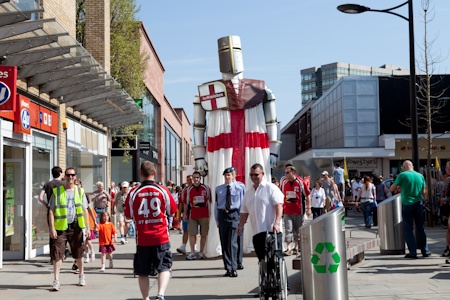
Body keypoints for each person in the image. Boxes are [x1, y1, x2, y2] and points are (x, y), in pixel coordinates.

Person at [193, 35, 282, 257]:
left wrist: (273, 150)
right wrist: (199, 157)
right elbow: (198, 126)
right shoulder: (207, 92)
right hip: (221, 147)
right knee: (223, 194)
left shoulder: (259, 89)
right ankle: (226, 246)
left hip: (252, 146)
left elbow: (272, 120)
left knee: (259, 197)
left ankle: (259, 239)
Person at [124, 161, 178, 300]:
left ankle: (146, 298)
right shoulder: (163, 190)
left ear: (141, 174)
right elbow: (172, 211)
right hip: (161, 236)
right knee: (164, 267)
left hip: (143, 238)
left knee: (143, 271)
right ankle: (160, 294)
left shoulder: (133, 192)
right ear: (154, 173)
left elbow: (128, 215)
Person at [237, 163, 284, 281]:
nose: (253, 177)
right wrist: (240, 225)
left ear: (262, 174)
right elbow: (244, 212)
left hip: (272, 230)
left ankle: (283, 285)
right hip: (257, 232)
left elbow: (279, 206)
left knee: (276, 260)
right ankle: (265, 286)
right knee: (262, 261)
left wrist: (277, 222)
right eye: (251, 175)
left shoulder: (271, 188)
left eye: (256, 174)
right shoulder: (248, 193)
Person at [48, 167, 90, 291]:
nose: (70, 177)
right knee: (57, 254)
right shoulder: (57, 191)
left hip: (76, 226)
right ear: (64, 176)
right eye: (68, 175)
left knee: (79, 253)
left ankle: (82, 275)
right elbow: (51, 210)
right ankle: (56, 280)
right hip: (61, 227)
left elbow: (85, 210)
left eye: (72, 175)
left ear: (75, 177)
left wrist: (87, 227)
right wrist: (52, 228)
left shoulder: (80, 191)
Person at [390, 160, 429, 259]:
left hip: (407, 203)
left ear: (404, 167)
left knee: (408, 229)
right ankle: (425, 250)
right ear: (412, 166)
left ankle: (413, 252)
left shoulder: (402, 175)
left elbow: (392, 189)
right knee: (420, 228)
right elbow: (424, 191)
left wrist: (400, 186)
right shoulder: (420, 176)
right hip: (419, 203)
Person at [215, 167, 245, 277]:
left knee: (233, 242)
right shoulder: (219, 189)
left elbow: (242, 203)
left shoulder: (240, 187)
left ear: (234, 176)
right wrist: (217, 219)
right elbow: (216, 205)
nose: (227, 177)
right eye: (226, 175)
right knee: (224, 242)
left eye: (229, 175)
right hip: (223, 215)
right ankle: (227, 267)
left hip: (234, 214)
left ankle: (234, 267)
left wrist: (242, 218)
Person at [280, 165, 311, 255]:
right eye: (285, 172)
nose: (285, 174)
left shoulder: (300, 182)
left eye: (287, 172)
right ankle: (288, 248)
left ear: (293, 173)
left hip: (298, 210)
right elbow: (280, 194)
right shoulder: (283, 181)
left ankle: (296, 247)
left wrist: (308, 208)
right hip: (287, 210)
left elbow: (308, 195)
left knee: (298, 230)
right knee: (288, 229)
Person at [38, 166, 64, 263]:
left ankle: (52, 257)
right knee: (62, 233)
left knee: (52, 233)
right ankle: (61, 254)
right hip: (62, 211)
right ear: (60, 173)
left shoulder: (47, 184)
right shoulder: (63, 184)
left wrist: (47, 205)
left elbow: (40, 197)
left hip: (51, 211)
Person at [184, 171, 211, 260]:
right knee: (192, 234)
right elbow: (186, 203)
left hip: (204, 215)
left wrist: (210, 214)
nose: (196, 179)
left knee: (203, 234)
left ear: (200, 178)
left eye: (197, 177)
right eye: (194, 177)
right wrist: (185, 213)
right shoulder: (188, 189)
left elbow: (209, 201)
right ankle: (193, 252)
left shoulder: (206, 188)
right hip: (193, 215)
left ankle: (201, 252)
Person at [177, 175, 193, 254]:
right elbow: (181, 204)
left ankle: (194, 247)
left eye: (191, 179)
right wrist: (179, 214)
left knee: (194, 231)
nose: (189, 181)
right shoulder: (184, 191)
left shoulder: (197, 189)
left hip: (194, 213)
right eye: (188, 180)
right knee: (185, 230)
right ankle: (183, 246)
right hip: (186, 214)